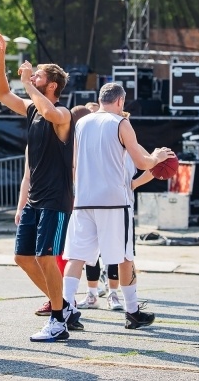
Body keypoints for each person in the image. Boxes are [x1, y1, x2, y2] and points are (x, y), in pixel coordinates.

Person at [0, 30, 79, 342]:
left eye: (38, 75)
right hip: (35, 198)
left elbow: (50, 112)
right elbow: (2, 93)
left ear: (51, 85)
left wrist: (28, 84)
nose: (32, 76)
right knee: (23, 257)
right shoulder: (32, 109)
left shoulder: (63, 113)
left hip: (55, 198)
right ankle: (64, 306)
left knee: (45, 257)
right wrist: (0, 55)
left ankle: (58, 322)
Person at [62, 83, 172, 330]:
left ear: (100, 99)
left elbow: (74, 163)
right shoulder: (121, 123)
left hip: (84, 199)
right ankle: (132, 312)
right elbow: (142, 162)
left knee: (77, 256)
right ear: (120, 101)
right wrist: (157, 157)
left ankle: (65, 308)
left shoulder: (81, 123)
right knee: (124, 257)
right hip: (113, 200)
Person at [30, 104, 91, 317]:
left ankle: (67, 301)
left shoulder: (80, 144)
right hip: (71, 202)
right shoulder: (62, 139)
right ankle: (62, 301)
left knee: (67, 254)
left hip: (74, 203)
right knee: (60, 255)